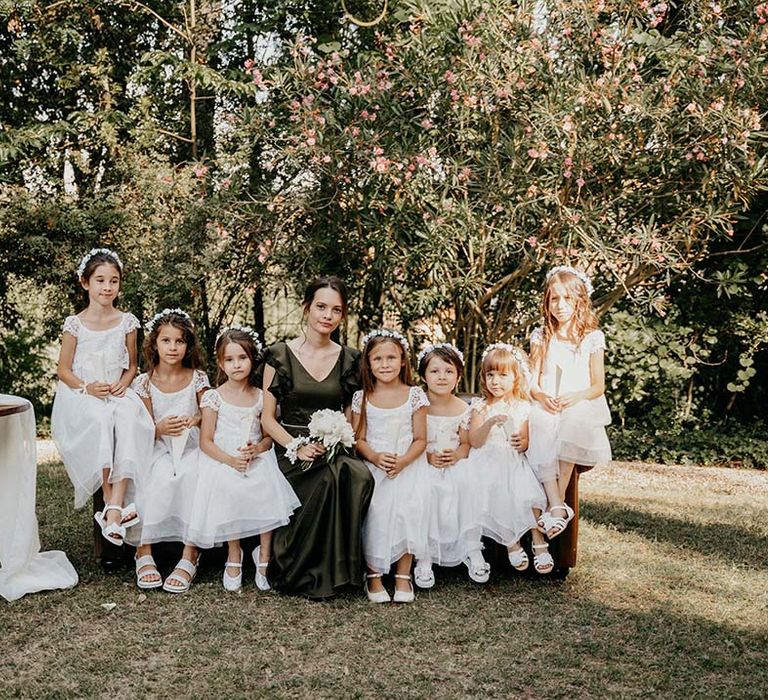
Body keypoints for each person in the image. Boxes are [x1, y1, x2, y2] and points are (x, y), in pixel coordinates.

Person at [260, 276, 374, 599]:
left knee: (355, 473)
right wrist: (296, 446)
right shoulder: (278, 355)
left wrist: (341, 438)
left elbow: (352, 414)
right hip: (291, 447)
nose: (328, 315)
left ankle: (341, 571)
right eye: (321, 307)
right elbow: (268, 418)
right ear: (306, 307)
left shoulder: (351, 359)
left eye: (336, 310)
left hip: (333, 444)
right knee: (328, 476)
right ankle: (298, 568)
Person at [52, 248, 154, 546]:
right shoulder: (75, 324)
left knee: (125, 416)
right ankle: (114, 507)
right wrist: (87, 388)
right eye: (100, 280)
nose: (107, 287)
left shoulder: (128, 322)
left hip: (116, 390)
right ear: (85, 283)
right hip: (83, 393)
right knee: (101, 418)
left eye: (113, 281)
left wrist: (124, 382)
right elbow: (63, 369)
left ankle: (113, 507)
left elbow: (132, 365)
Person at [187, 326, 300, 593]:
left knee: (266, 483)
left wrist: (256, 449)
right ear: (220, 363)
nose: (236, 365)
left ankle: (264, 557)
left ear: (252, 359)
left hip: (254, 457)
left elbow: (267, 438)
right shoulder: (214, 397)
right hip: (223, 458)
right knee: (229, 487)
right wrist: (230, 460)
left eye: (242, 358)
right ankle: (234, 552)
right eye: (229, 359)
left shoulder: (261, 397)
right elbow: (205, 441)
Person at [527, 266, 611, 539]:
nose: (560, 305)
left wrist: (574, 397)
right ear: (547, 301)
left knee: (571, 425)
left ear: (579, 301)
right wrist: (541, 396)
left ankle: (554, 506)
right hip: (547, 403)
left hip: (578, 403)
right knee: (541, 421)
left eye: (567, 299)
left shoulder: (592, 338)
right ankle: (557, 508)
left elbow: (598, 386)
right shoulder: (542, 336)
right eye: (554, 298)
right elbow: (532, 380)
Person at [130, 308, 209, 592]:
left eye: (179, 341)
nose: (173, 347)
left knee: (194, 473)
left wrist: (194, 419)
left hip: (191, 445)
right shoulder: (144, 382)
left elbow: (208, 413)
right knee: (157, 474)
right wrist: (159, 428)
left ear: (188, 345)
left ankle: (190, 554)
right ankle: (144, 550)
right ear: (154, 343)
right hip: (158, 445)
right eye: (166, 341)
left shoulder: (197, 377)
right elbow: (142, 426)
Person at [351, 330, 431, 604]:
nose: (385, 364)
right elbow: (357, 438)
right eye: (377, 359)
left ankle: (403, 573)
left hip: (408, 464)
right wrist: (375, 457)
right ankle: (373, 574)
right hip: (375, 466)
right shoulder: (362, 397)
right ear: (368, 364)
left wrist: (404, 461)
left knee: (409, 506)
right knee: (377, 509)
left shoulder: (415, 395)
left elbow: (421, 438)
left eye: (391, 358)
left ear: (403, 361)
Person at [467, 344, 554, 574]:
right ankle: (511, 543)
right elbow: (474, 441)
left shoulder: (522, 407)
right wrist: (488, 423)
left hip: (512, 461)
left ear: (516, 378)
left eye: (503, 375)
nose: (495, 381)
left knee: (525, 491)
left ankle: (538, 540)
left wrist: (521, 442)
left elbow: (525, 440)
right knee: (494, 492)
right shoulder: (480, 406)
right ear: (484, 378)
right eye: (490, 375)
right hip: (485, 463)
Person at [414, 343, 487, 587]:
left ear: (457, 376)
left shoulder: (464, 408)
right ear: (424, 376)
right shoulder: (418, 405)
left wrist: (457, 456)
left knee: (467, 484)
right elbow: (412, 441)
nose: (442, 377)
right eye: (434, 371)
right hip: (423, 461)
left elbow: (466, 444)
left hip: (455, 462)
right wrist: (427, 457)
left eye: (448, 371)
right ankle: (424, 555)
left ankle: (472, 549)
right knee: (426, 489)